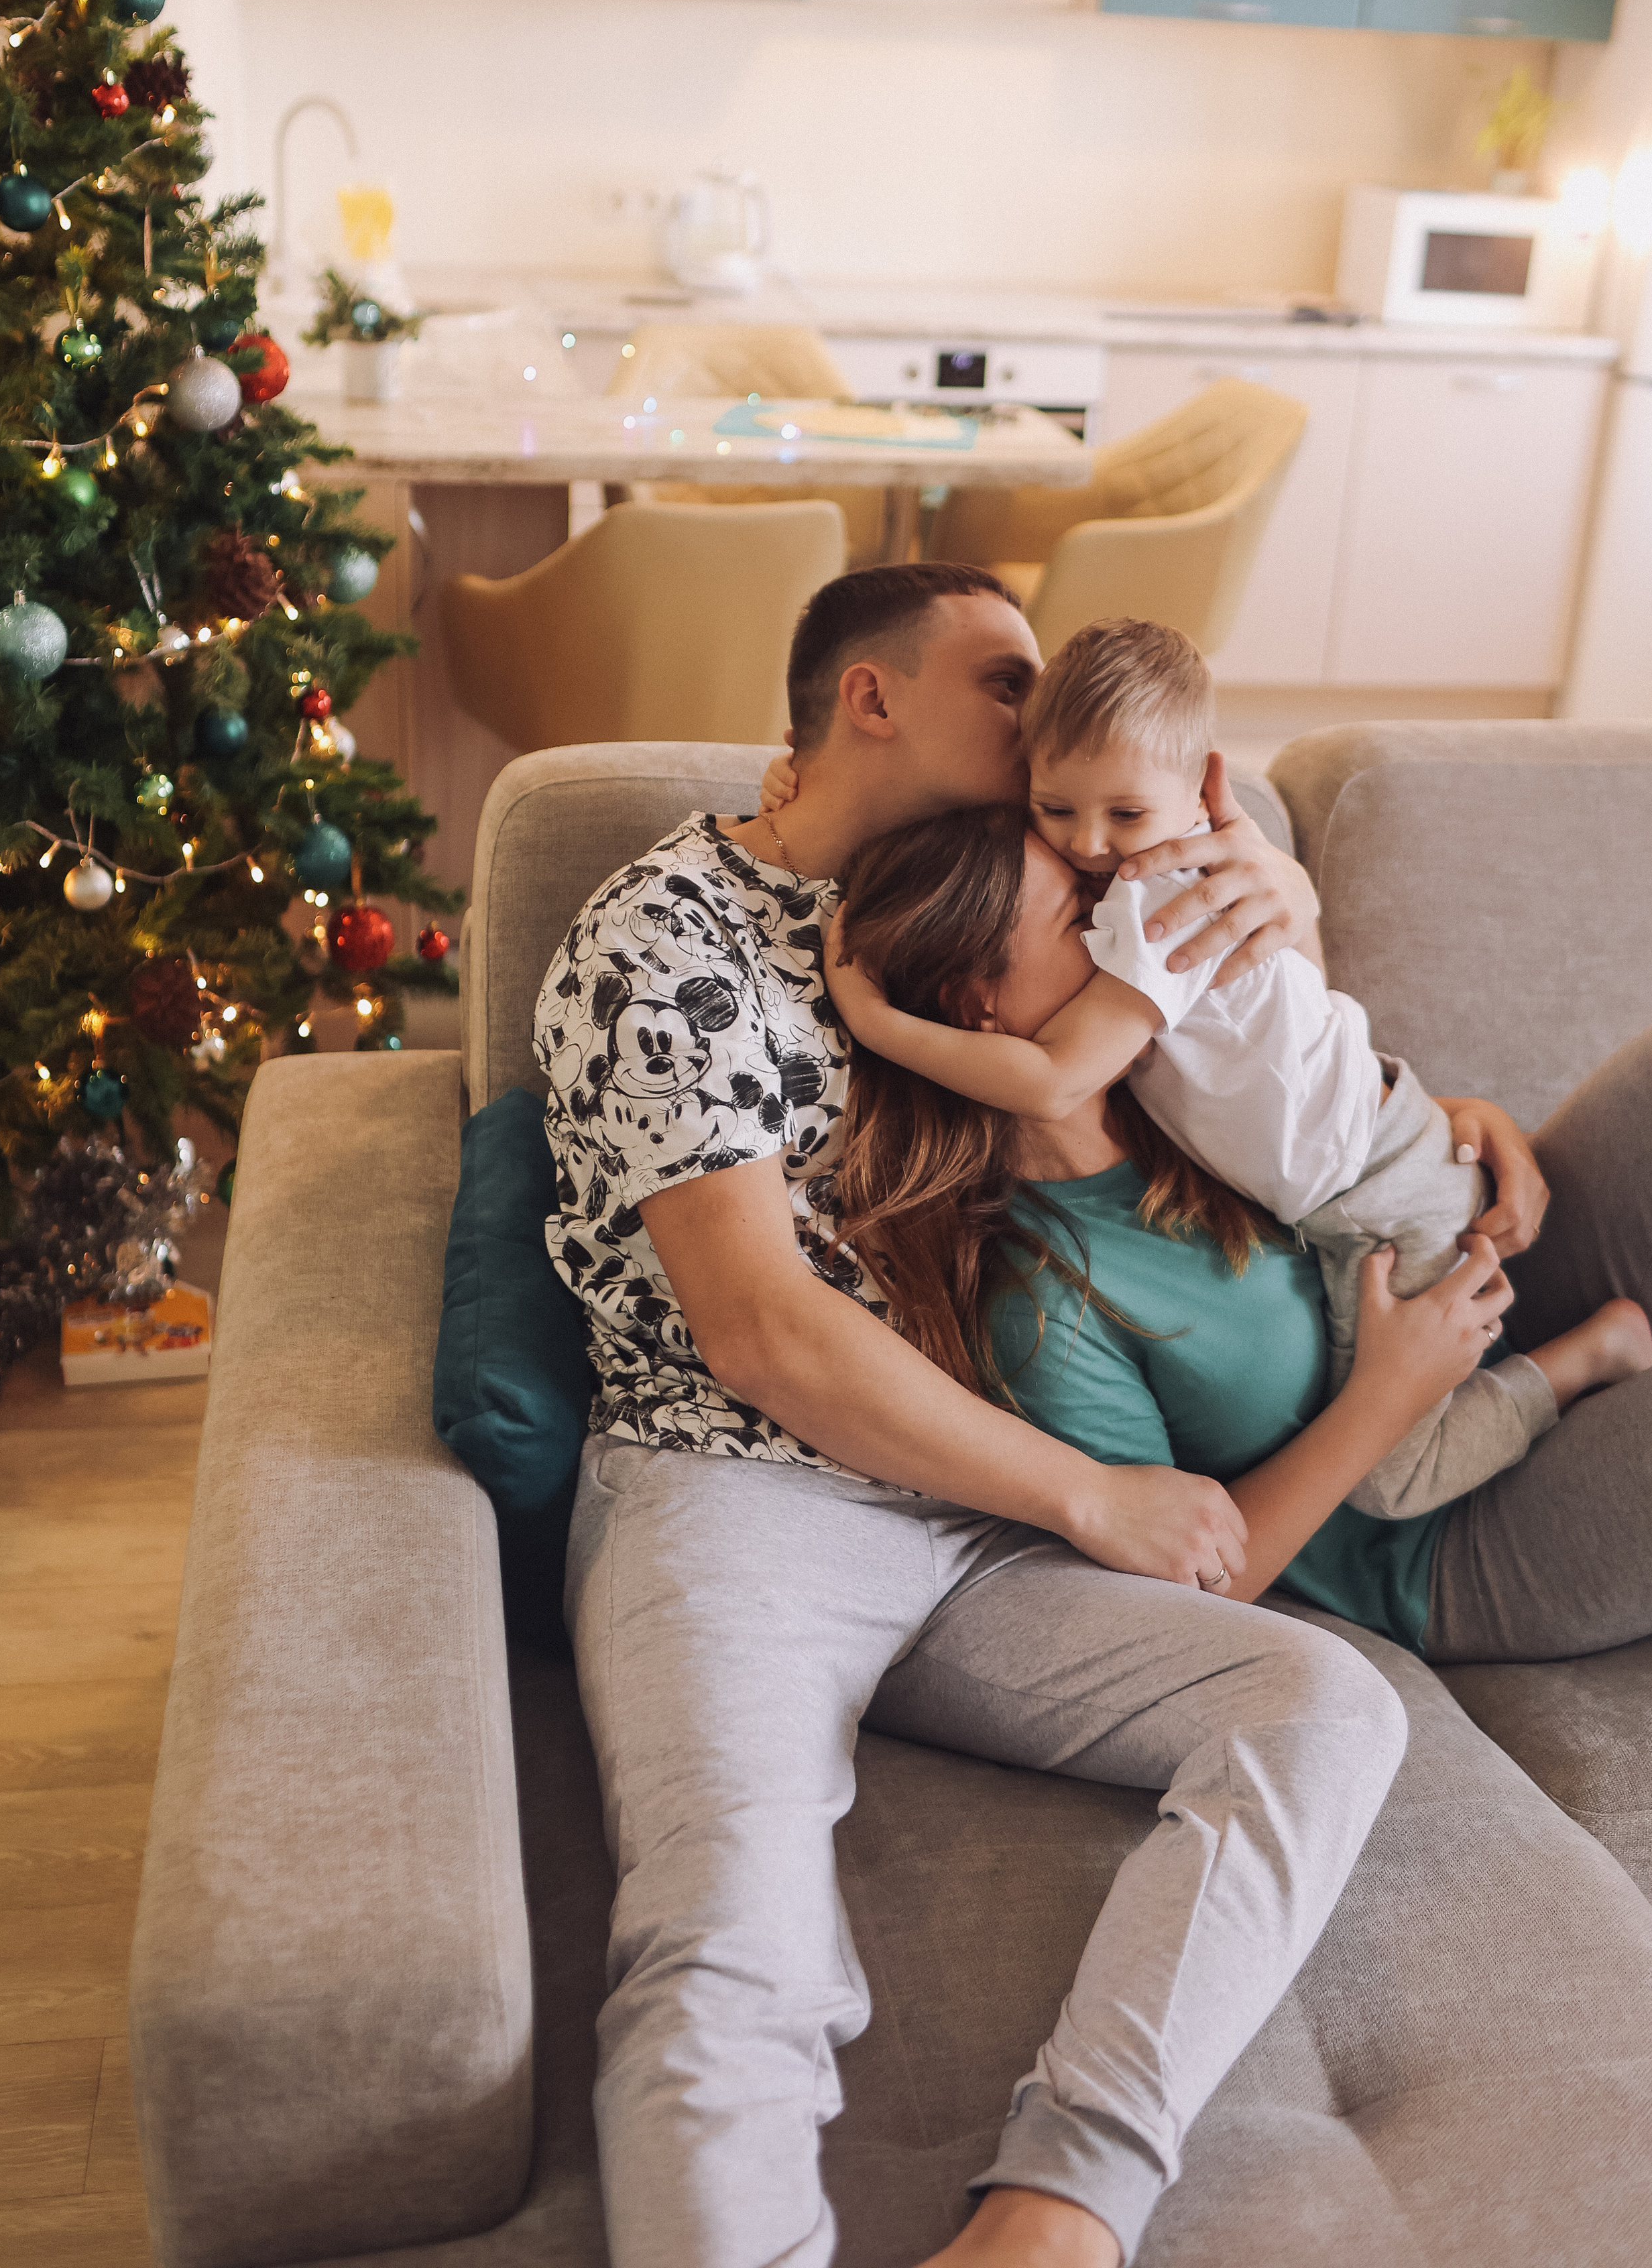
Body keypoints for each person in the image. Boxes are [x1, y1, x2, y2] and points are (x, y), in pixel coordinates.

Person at [534, 564, 1452, 2268]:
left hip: (981, 1522)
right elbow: (761, 1334)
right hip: (739, 1498)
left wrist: (1403, 1085)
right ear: (870, 699)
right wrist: (1092, 1497)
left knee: (1325, 1707)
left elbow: (1241, 1071)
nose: (1045, 720)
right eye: (1007, 678)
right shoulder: (664, 935)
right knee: (726, 1943)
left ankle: (1058, 2211)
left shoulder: (1040, 880)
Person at [820, 617, 1652, 1520]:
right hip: (1405, 1280)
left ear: (1204, 788)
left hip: (1396, 1184)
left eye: (1124, 818)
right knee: (1394, 1480)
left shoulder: (1161, 914)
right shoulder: (1048, 1293)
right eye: (1054, 815)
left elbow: (1175, 1051)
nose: (1093, 854)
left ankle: (1594, 1352)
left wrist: (876, 1019)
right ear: (972, 999)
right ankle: (1588, 1356)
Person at [830, 802, 1652, 1670]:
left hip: (1498, 1292)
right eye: (1083, 918)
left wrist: (1457, 1122)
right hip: (1443, 1537)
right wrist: (1384, 1397)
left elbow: (1343, 1120)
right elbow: (1191, 1588)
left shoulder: (1177, 1075)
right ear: (977, 1006)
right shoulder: (1043, 1301)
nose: (1134, 930)